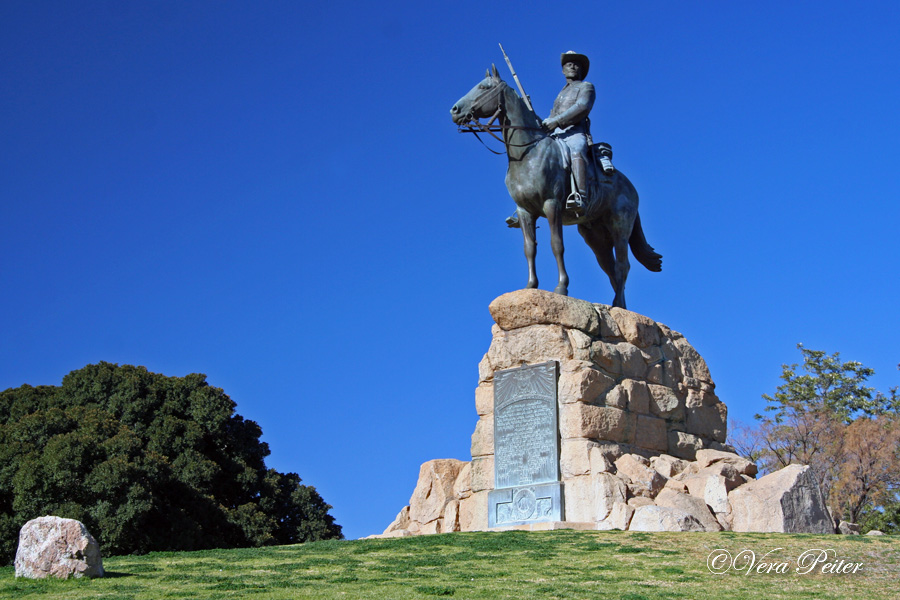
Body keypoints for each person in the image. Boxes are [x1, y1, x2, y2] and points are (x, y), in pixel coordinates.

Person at [505, 51, 614, 227]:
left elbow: (582, 107)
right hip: (556, 134)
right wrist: (532, 113)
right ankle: (528, 202)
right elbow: (549, 119)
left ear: (581, 70)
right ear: (563, 70)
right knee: (534, 156)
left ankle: (581, 196)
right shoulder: (560, 94)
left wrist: (557, 121)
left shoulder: (586, 87)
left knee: (577, 149)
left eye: (576, 64)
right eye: (568, 64)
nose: (572, 66)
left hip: (575, 132)